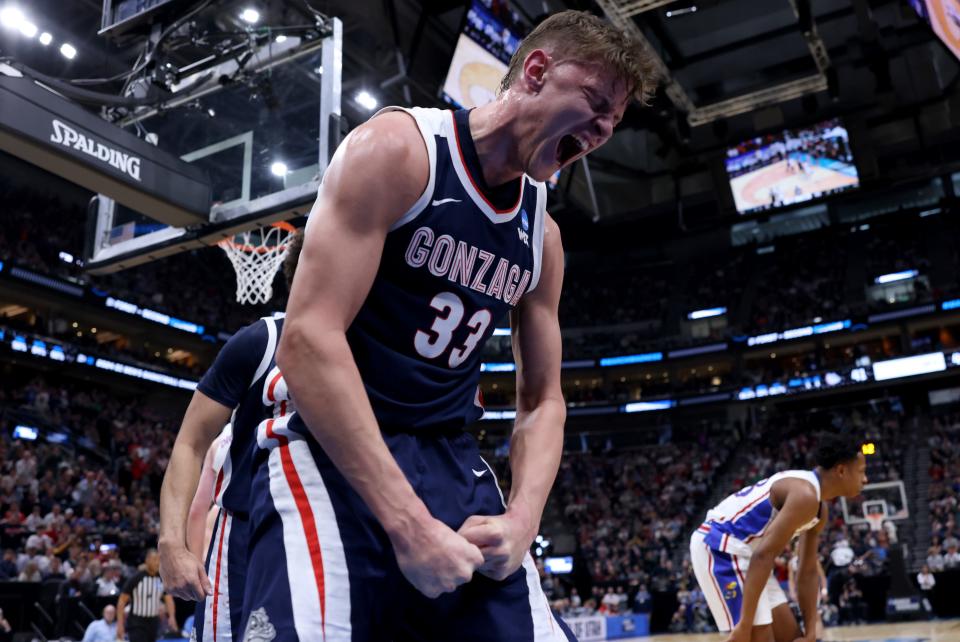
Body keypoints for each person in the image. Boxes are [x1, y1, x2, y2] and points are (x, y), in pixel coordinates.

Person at [248, 9, 656, 641]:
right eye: (596, 101)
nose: (603, 129)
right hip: (331, 443)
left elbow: (544, 400)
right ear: (537, 71)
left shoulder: (542, 236)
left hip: (448, 455)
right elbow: (307, 339)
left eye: (614, 121)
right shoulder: (400, 151)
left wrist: (523, 520)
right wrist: (406, 523)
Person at [158, 232, 303, 642]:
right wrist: (172, 544)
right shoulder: (260, 341)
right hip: (244, 533)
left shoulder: (377, 352)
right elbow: (190, 443)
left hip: (334, 534)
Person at [690, 432, 868, 642]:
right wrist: (745, 624)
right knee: (757, 637)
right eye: (861, 471)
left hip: (752, 557)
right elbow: (764, 555)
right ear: (840, 470)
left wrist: (810, 633)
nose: (865, 479)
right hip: (722, 547)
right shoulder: (805, 495)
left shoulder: (819, 508)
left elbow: (808, 571)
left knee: (791, 637)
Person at [116, 550, 178, 642]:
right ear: (147, 560)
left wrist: (172, 617)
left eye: (159, 560)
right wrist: (120, 624)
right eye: (155, 559)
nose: (158, 563)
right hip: (136, 622)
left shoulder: (161, 579)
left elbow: (168, 599)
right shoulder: (136, 578)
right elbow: (121, 601)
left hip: (153, 621)